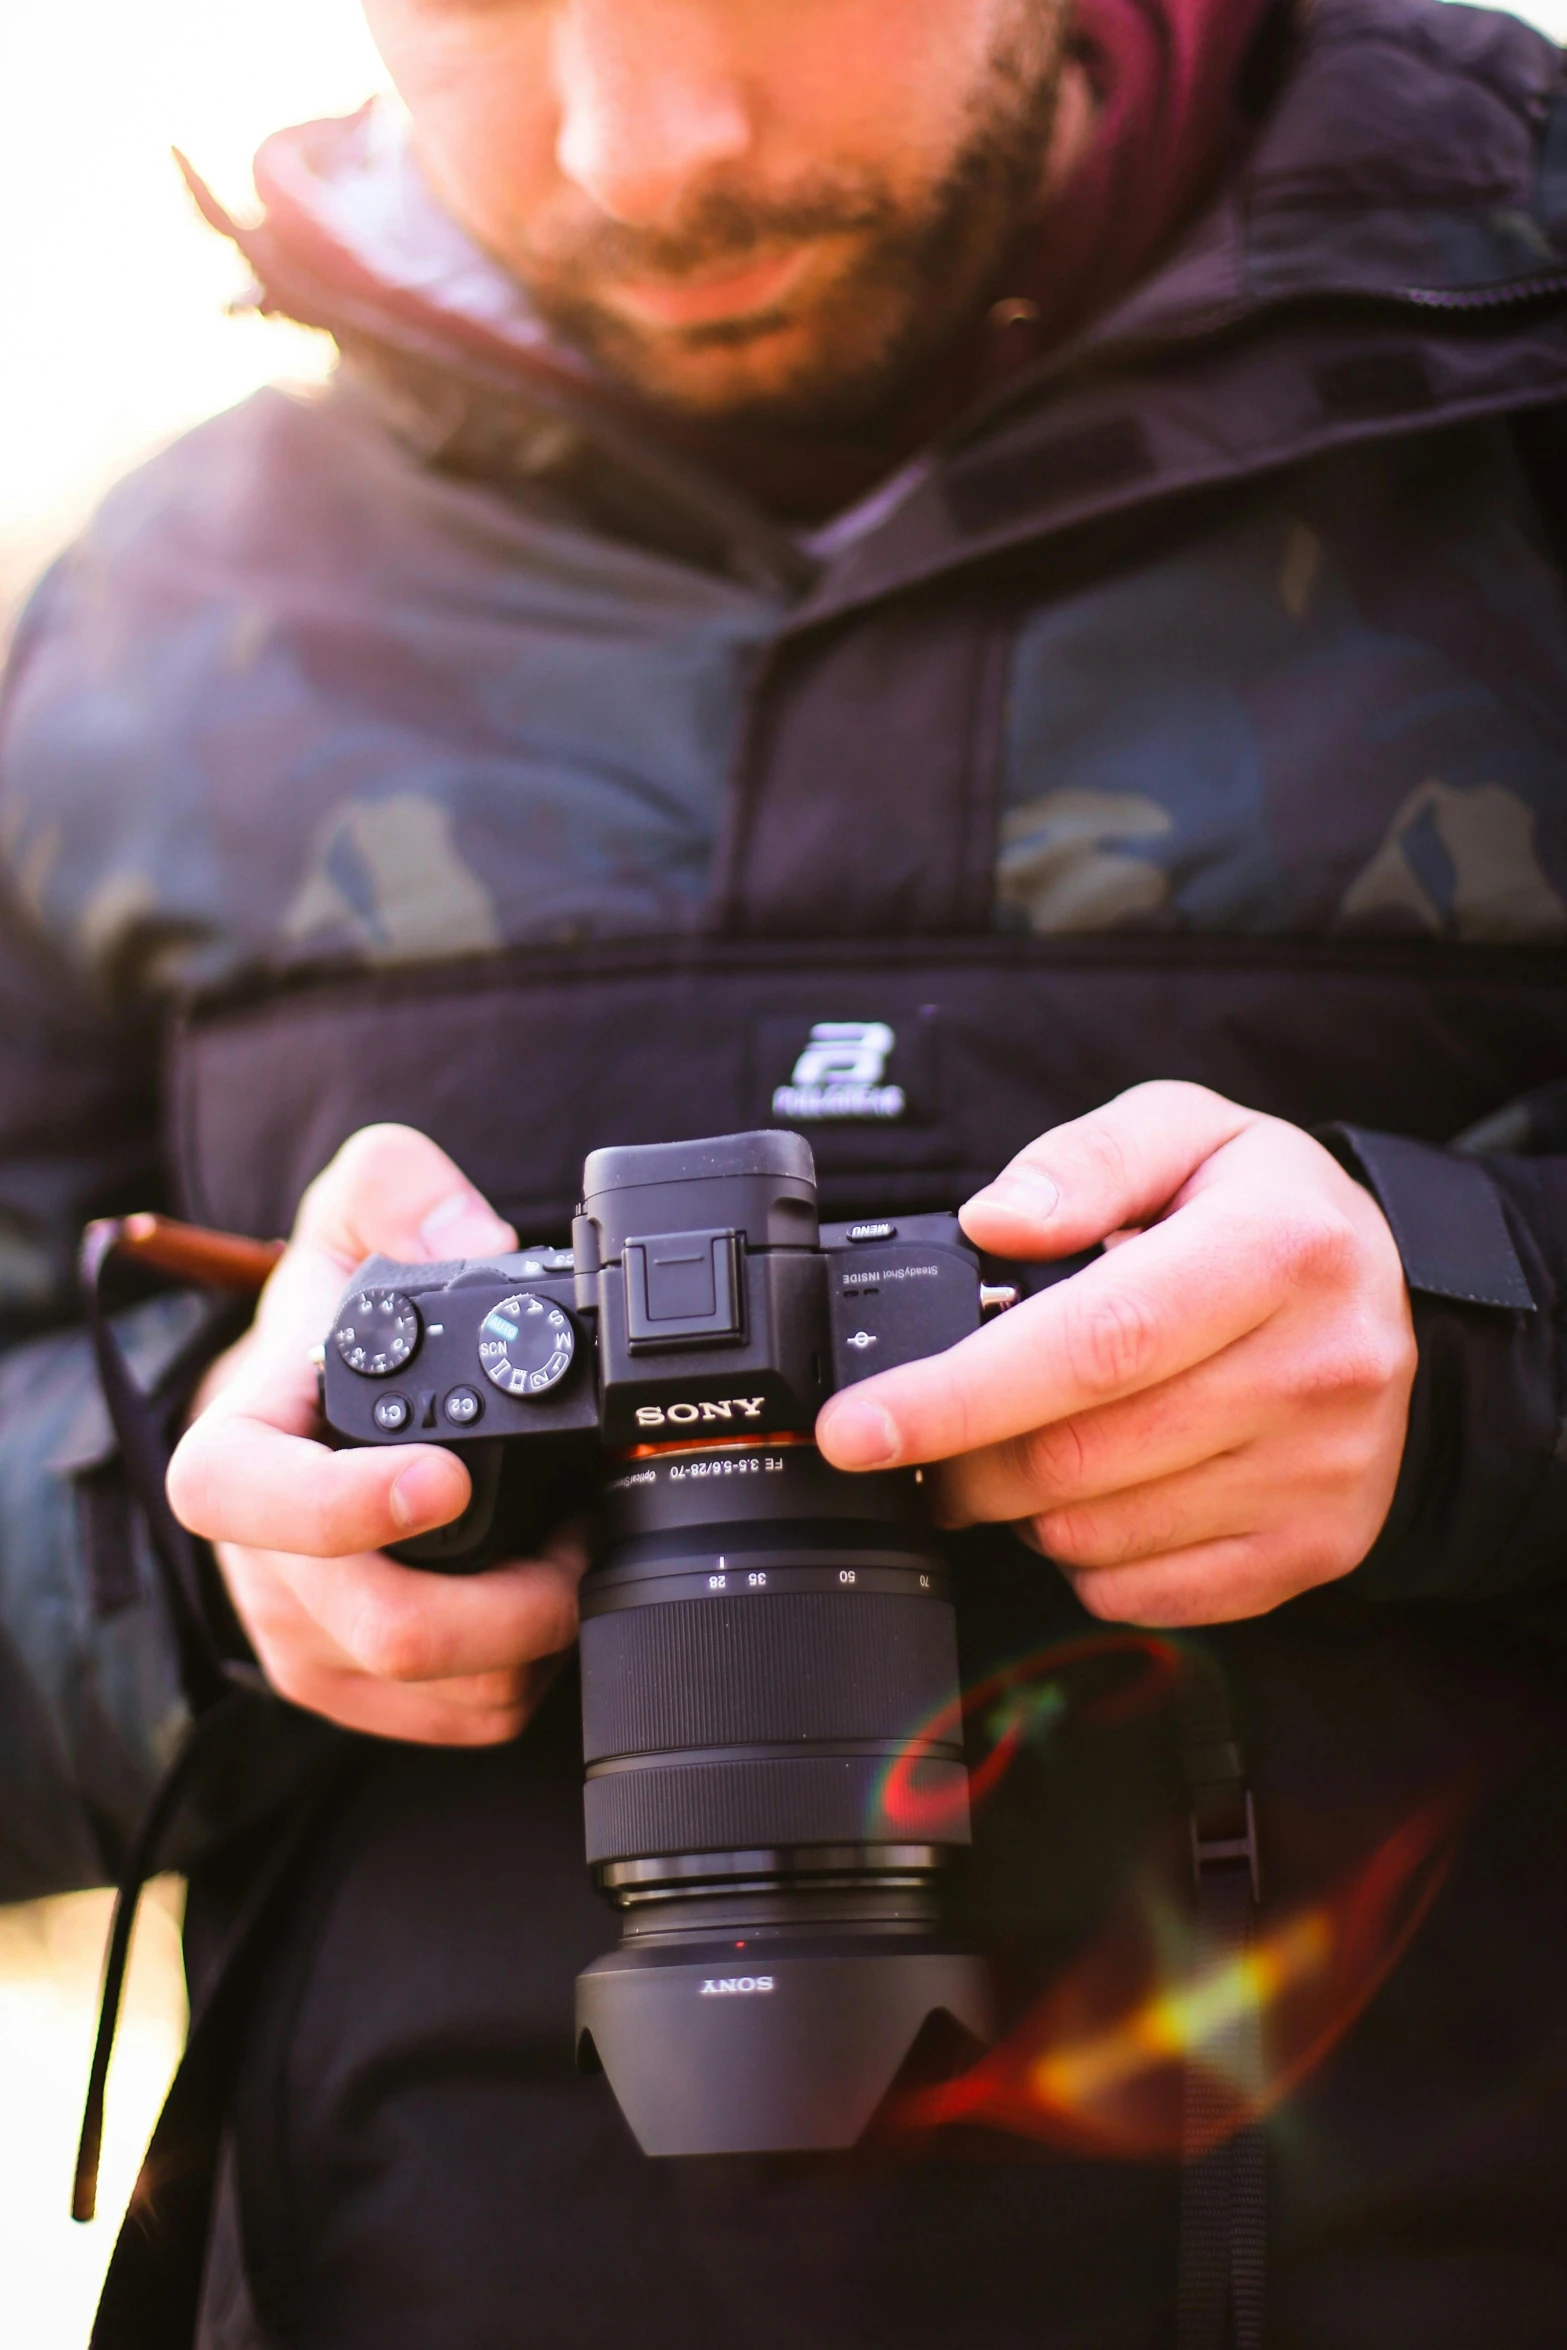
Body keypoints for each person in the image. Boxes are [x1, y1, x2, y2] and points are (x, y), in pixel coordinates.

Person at [3, 0, 1567, 2339]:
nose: (650, 147)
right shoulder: (154, 625)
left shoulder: (1515, 428)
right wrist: (215, 1546)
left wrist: (1476, 1352)